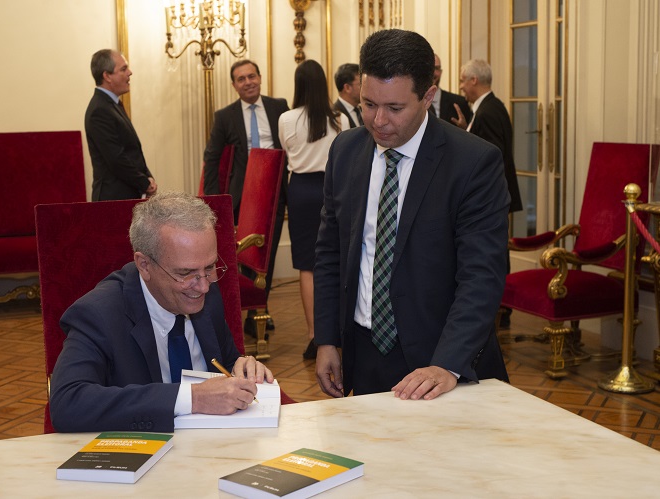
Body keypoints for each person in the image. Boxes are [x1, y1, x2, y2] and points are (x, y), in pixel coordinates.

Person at [314, 29, 510, 403]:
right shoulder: (345, 150)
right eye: (368, 104)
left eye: (395, 108)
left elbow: (481, 274)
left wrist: (447, 363)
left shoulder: (473, 162)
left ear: (428, 96)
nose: (378, 121)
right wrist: (326, 339)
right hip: (365, 350)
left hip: (443, 359)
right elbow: (329, 254)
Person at [49, 191, 274, 433]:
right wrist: (193, 397)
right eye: (185, 273)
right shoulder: (99, 313)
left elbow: (224, 362)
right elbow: (67, 403)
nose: (203, 286)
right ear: (144, 265)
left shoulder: (206, 289)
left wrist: (241, 368)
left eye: (209, 268)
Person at [203, 59, 290, 333]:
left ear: (260, 78)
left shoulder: (279, 108)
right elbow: (212, 157)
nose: (248, 82)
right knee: (244, 255)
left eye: (252, 76)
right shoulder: (224, 116)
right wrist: (216, 200)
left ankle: (261, 310)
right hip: (242, 198)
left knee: (268, 255)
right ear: (234, 85)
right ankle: (249, 310)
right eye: (241, 79)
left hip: (275, 193)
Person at [278, 60, 349, 360]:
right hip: (332, 188)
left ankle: (313, 335)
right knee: (336, 259)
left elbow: (286, 152)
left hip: (301, 191)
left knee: (307, 264)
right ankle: (338, 331)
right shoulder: (339, 119)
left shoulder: (286, 118)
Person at [455, 59, 523, 329]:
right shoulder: (487, 107)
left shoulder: (489, 110)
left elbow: (492, 155)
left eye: (462, 80)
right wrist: (466, 132)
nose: (460, 86)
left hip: (492, 196)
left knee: (494, 251)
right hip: (495, 195)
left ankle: (499, 307)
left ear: (474, 80)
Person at [85, 49, 157, 201]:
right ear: (107, 76)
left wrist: (148, 177)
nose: (130, 73)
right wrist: (144, 182)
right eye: (123, 69)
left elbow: (132, 151)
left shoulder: (113, 104)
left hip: (125, 194)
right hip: (112, 199)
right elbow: (116, 159)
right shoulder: (99, 110)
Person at [430, 53, 473, 125]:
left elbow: (470, 134)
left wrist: (464, 130)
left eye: (436, 68)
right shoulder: (413, 102)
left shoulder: (460, 103)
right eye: (430, 68)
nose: (433, 72)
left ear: (441, 72)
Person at [332, 63, 363, 128]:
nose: (365, 88)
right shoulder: (334, 115)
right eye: (361, 84)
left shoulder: (363, 110)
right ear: (347, 88)